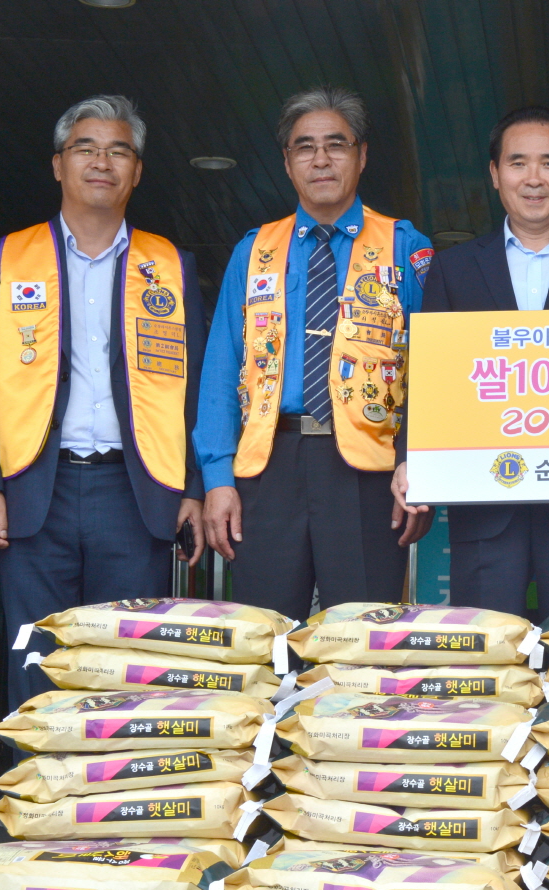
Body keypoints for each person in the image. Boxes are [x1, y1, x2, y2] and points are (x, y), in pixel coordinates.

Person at [0, 95, 206, 711]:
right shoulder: (7, 257)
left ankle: (110, 778)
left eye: (119, 151)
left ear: (137, 171)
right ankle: (34, 778)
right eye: (86, 148)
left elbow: (195, 390)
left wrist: (193, 488)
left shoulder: (170, 265)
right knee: (36, 663)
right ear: (58, 164)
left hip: (135, 492)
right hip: (32, 490)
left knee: (125, 670)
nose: (102, 162)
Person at [392, 106, 549, 621]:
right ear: (495, 174)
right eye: (518, 163)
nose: (534, 178)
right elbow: (430, 378)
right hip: (485, 506)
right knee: (487, 651)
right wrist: (409, 457)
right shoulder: (454, 268)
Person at [195, 87, 433, 622]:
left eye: (336, 144)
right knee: (264, 636)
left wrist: (419, 465)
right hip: (267, 467)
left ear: (362, 155)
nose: (321, 159)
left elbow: (432, 370)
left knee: (360, 638)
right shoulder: (254, 250)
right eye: (305, 147)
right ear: (286, 162)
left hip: (368, 470)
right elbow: (220, 371)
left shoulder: (403, 246)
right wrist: (217, 479)